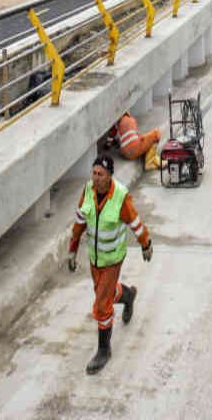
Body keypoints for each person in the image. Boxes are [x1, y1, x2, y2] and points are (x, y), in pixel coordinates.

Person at [68, 152, 153, 374]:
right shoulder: (88, 191)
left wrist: (146, 243)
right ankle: (128, 295)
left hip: (113, 258)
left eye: (100, 174)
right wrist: (72, 249)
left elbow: (135, 222)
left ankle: (104, 350)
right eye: (94, 173)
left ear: (109, 177)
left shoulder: (121, 198)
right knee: (104, 294)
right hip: (95, 258)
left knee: (101, 305)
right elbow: (79, 221)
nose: (95, 178)